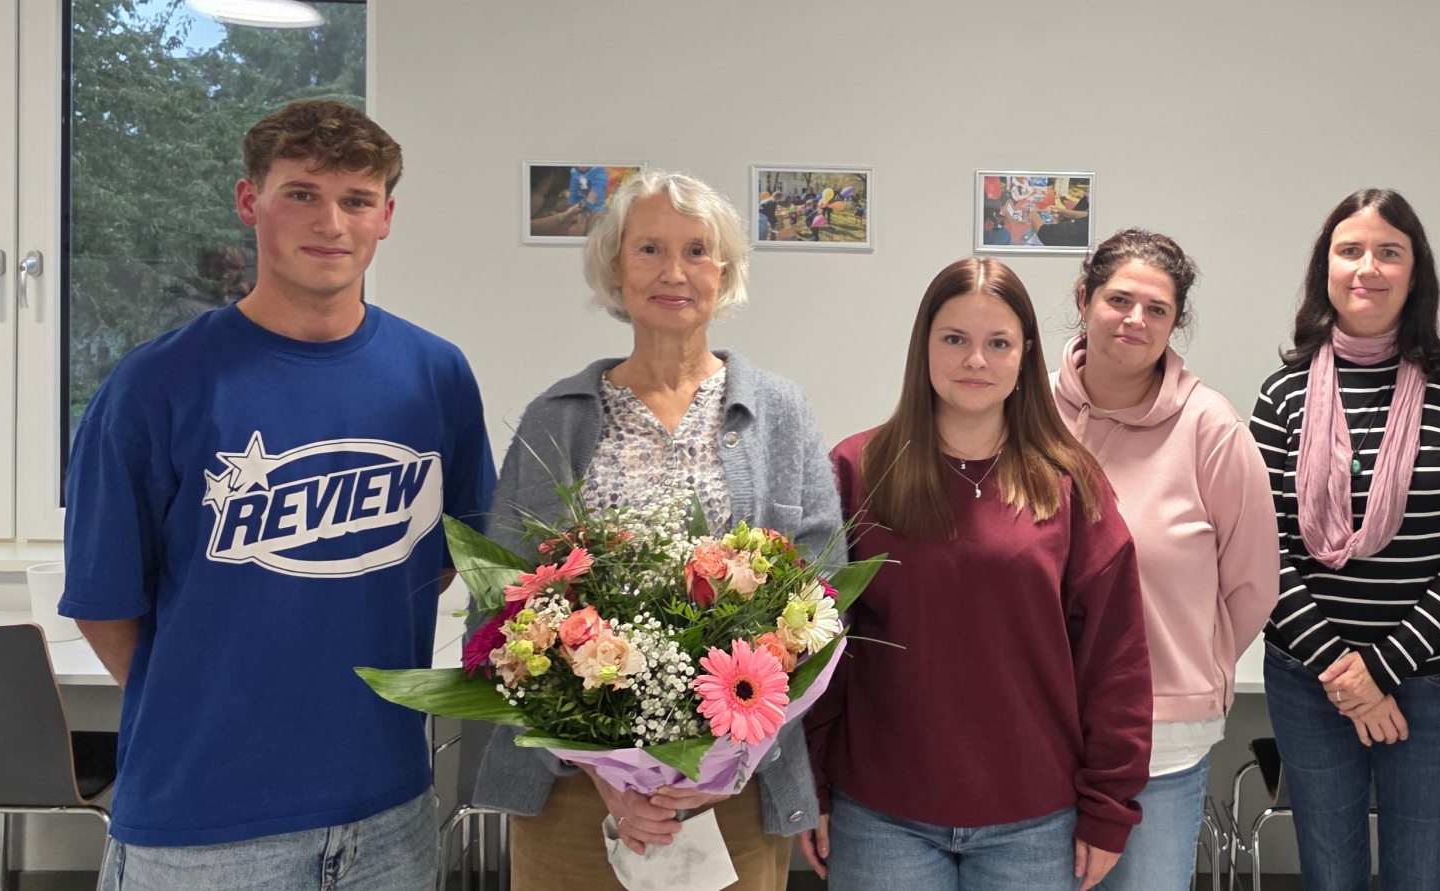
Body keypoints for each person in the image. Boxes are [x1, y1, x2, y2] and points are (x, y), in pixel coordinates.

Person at [60, 99, 497, 890]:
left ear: (386, 217)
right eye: (301, 192)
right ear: (247, 200)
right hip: (204, 824)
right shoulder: (154, 386)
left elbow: (443, 556)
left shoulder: (436, 375)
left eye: (356, 200)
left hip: (389, 811)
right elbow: (103, 602)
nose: (330, 221)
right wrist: (214, 704)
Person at [470, 169, 842, 891]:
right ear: (615, 266)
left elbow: (824, 595)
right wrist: (598, 766)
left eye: (697, 251)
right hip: (571, 798)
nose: (674, 271)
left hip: (730, 796)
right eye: (648, 249)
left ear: (724, 272)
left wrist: (727, 760)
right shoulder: (559, 416)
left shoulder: (781, 414)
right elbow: (503, 597)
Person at [803, 257, 1151, 891]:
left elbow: (1115, 657)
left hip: (1035, 820)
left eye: (998, 343)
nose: (975, 361)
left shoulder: (1070, 483)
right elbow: (821, 649)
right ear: (924, 348)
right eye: (955, 339)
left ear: (1025, 356)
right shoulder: (857, 470)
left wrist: (1109, 807)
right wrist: (811, 782)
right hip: (881, 812)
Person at [1249, 188, 1440, 891]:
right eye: (1350, 250)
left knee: (1420, 873)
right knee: (1328, 872)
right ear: (1324, 269)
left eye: (1388, 251)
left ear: (1414, 272)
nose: (1368, 266)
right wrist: (1343, 671)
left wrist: (1382, 669)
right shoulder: (1281, 394)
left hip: (1430, 676)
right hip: (1309, 678)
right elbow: (1259, 548)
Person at [1050, 229, 1279, 890]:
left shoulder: (1212, 428)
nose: (1134, 319)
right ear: (1084, 298)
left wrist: (1187, 669)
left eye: (1156, 309)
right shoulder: (1026, 411)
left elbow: (1251, 582)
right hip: (1040, 720)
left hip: (1162, 734)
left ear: (1175, 323)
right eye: (1119, 299)